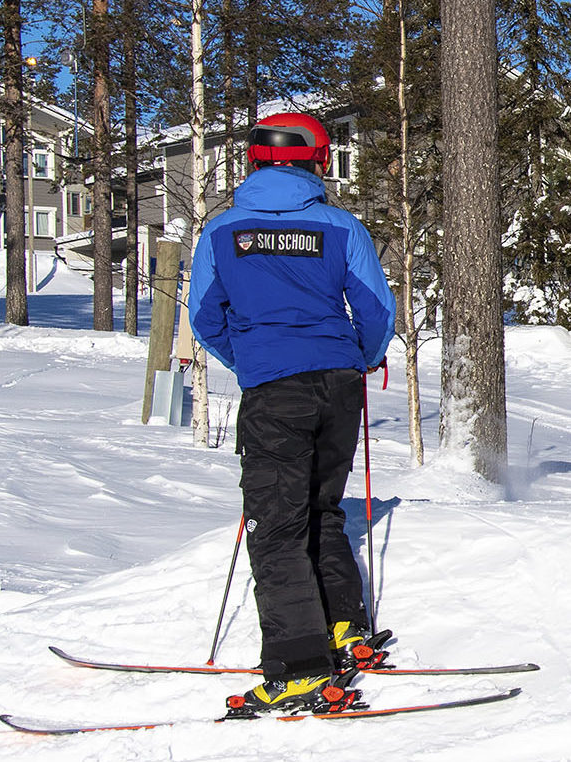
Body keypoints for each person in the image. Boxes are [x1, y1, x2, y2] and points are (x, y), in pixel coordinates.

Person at [188, 112, 397, 716]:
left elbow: (206, 315)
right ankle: (345, 632)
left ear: (254, 162)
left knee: (276, 525)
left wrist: (251, 359)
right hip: (336, 383)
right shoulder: (340, 227)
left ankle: (301, 668)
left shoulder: (222, 232)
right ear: (319, 161)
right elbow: (376, 310)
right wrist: (357, 357)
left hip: (273, 385)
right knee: (319, 508)